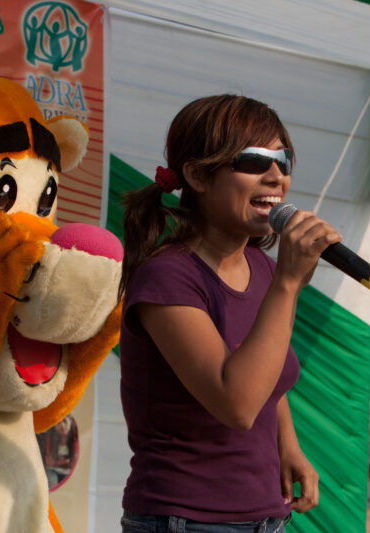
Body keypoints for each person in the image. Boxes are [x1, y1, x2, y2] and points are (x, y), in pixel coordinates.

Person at [118, 94, 340, 532]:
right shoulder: (167, 277)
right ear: (199, 175)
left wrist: (288, 446)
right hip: (184, 519)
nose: (276, 175)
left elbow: (265, 368)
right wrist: (289, 285)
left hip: (265, 517)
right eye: (256, 160)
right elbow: (236, 402)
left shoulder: (263, 269)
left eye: (284, 160)